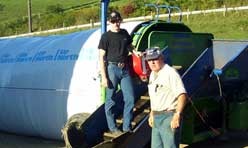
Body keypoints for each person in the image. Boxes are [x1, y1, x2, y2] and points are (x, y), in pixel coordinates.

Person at [98, 10, 138, 136]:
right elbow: (101, 57)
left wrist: (137, 53)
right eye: (114, 21)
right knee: (110, 100)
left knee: (130, 98)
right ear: (109, 22)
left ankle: (126, 127)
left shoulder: (125, 33)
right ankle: (113, 127)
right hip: (112, 69)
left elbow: (130, 47)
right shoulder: (106, 37)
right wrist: (104, 77)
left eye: (118, 21)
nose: (116, 23)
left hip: (125, 69)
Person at [145, 47, 187, 148]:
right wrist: (151, 113)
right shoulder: (152, 74)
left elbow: (182, 95)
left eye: (155, 59)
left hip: (169, 116)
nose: (152, 63)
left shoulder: (170, 73)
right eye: (149, 60)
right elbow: (154, 96)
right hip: (156, 117)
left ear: (161, 58)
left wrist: (177, 115)